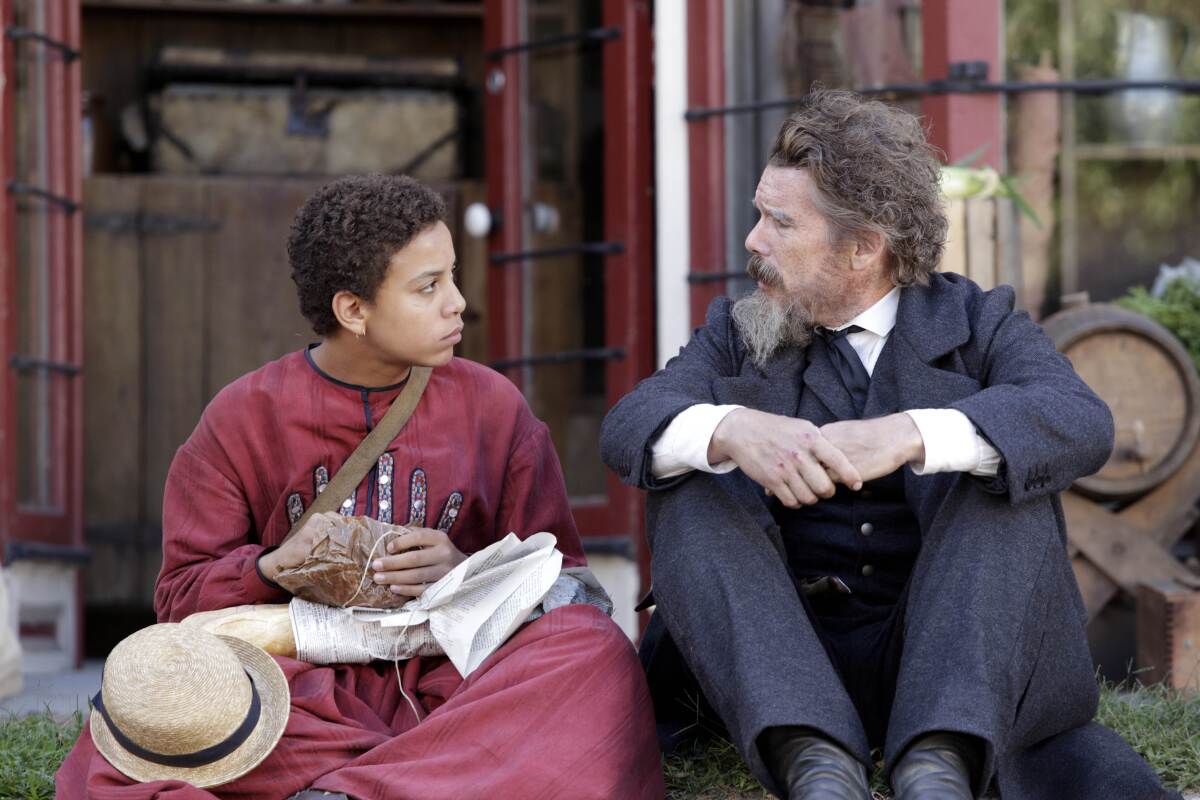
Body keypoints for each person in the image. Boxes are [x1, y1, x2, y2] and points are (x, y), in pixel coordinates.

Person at [600, 90, 1177, 800]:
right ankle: (816, 764)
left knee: (999, 469)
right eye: (759, 214)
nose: (753, 240)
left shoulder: (978, 321)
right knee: (688, 477)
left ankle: (938, 764)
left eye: (779, 222)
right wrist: (732, 430)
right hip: (786, 662)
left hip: (948, 661)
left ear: (863, 247)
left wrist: (911, 434)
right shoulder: (738, 330)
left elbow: (1080, 421)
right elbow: (628, 425)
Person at [58, 174, 664, 800]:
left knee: (592, 650)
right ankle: (431, 780)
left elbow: (568, 587)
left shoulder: (494, 408)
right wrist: (272, 566)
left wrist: (463, 569)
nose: (457, 302)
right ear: (354, 310)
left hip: (455, 684)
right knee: (141, 720)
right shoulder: (243, 417)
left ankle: (349, 791)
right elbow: (180, 606)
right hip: (303, 697)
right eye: (428, 287)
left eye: (452, 276)